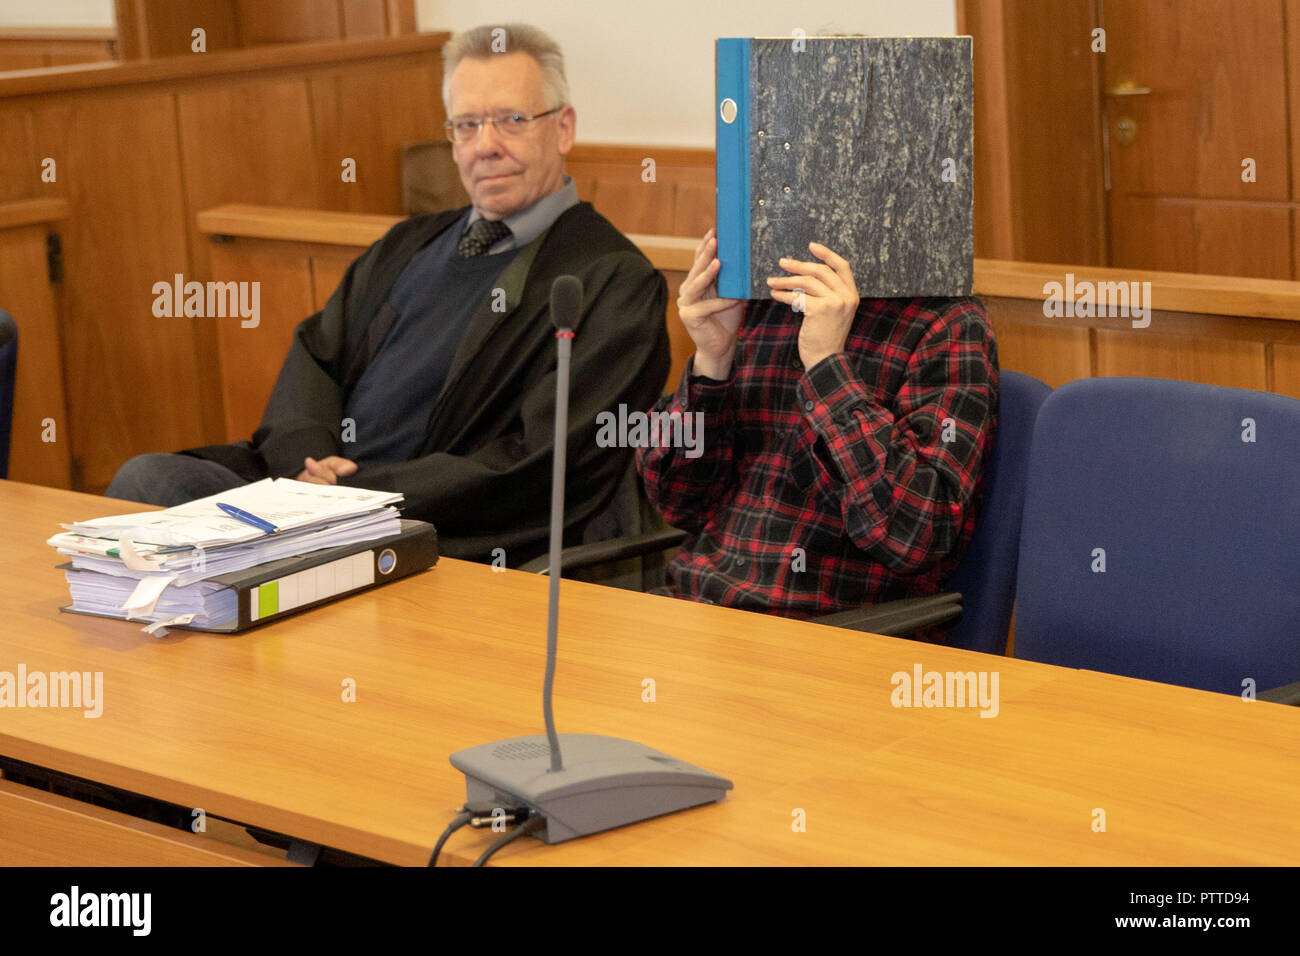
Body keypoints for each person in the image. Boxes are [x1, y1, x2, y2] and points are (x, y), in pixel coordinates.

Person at [107, 23, 669, 565]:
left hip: (425, 527)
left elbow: (545, 460)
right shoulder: (410, 243)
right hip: (309, 497)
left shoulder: (610, 280)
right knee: (148, 482)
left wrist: (362, 499)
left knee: (186, 521)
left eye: (511, 120)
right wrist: (306, 464)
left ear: (564, 128)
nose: (486, 146)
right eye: (466, 125)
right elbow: (318, 355)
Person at [636, 229, 998, 624]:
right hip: (699, 608)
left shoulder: (948, 321)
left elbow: (914, 535)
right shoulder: (761, 299)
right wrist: (711, 362)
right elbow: (674, 501)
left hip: (830, 631)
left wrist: (827, 366)